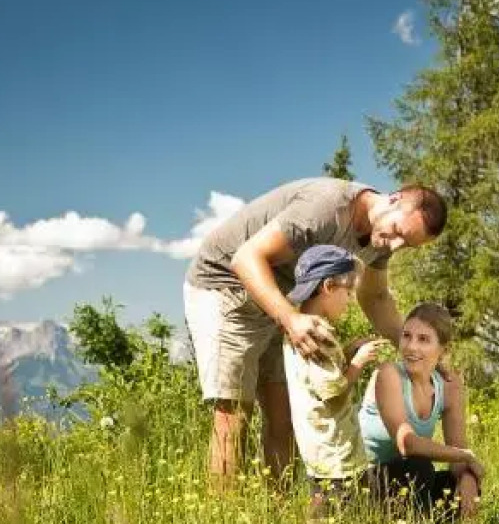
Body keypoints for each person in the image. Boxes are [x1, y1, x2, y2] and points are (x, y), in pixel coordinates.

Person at [182, 177, 448, 482]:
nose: (396, 245)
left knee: (284, 418)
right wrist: (289, 319)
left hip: (280, 299)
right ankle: (222, 521)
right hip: (226, 285)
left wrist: (419, 352)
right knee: (234, 411)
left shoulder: (381, 240)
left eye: (407, 245)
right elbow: (245, 258)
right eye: (400, 232)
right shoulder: (325, 208)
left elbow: (374, 297)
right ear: (394, 199)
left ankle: (277, 518)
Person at [280, 245, 386, 514]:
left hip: (322, 445)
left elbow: (320, 373)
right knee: (332, 508)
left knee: (335, 503)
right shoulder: (317, 336)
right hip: (333, 448)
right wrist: (358, 362)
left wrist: (349, 349)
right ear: (328, 286)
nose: (350, 301)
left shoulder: (304, 329)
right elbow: (333, 390)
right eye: (348, 292)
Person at [358, 302, 483, 518]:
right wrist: (466, 456)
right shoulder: (388, 374)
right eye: (406, 336)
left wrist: (468, 478)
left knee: (457, 483)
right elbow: (407, 443)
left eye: (423, 339)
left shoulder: (450, 386)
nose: (411, 347)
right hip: (365, 482)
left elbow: (458, 453)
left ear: (443, 349)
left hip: (406, 483)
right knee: (419, 468)